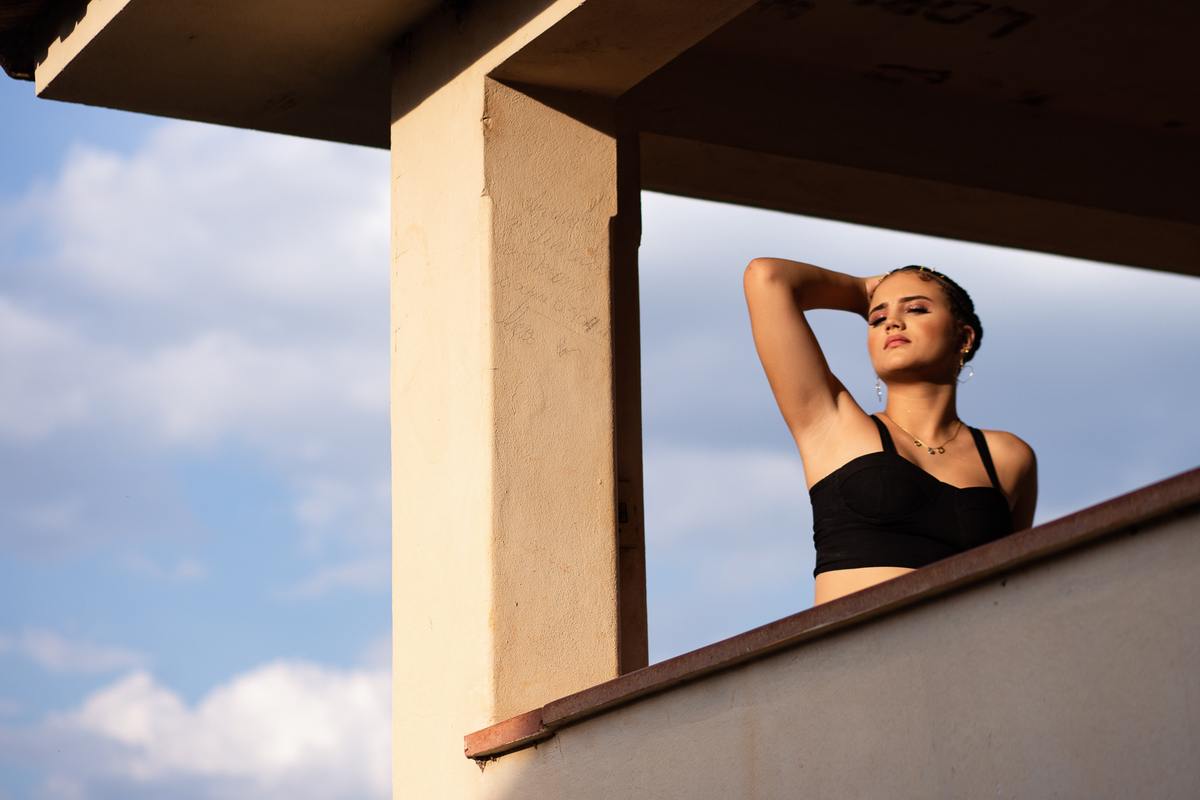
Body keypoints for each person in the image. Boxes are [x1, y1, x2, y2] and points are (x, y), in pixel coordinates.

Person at [743, 260, 1037, 605]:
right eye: (877, 318)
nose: (892, 322)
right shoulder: (835, 423)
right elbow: (766, 277)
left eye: (915, 308)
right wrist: (861, 290)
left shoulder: (1008, 456)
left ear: (964, 337)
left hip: (972, 653)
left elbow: (1015, 590)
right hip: (859, 655)